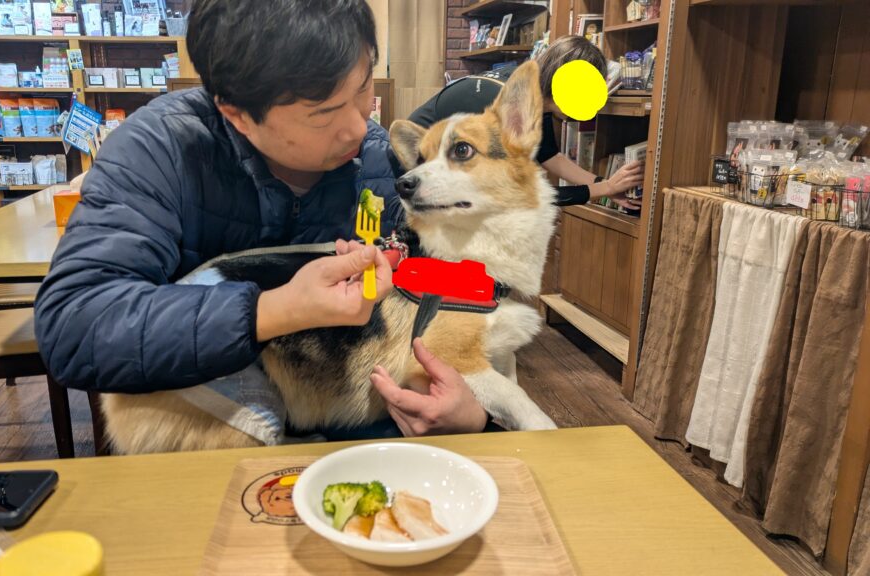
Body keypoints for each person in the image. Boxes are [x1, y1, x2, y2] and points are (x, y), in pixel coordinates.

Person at [33, 0, 493, 441]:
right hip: (216, 423)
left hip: (357, 420)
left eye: (362, 88)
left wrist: (476, 410)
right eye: (323, 114)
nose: (359, 126)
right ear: (237, 114)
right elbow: (75, 325)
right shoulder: (158, 150)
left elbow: (460, 293)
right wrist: (275, 311)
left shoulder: (381, 160)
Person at [408, 35, 644, 211]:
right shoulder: (511, 108)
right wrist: (603, 189)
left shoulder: (535, 95)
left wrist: (604, 184)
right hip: (412, 165)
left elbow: (550, 156)